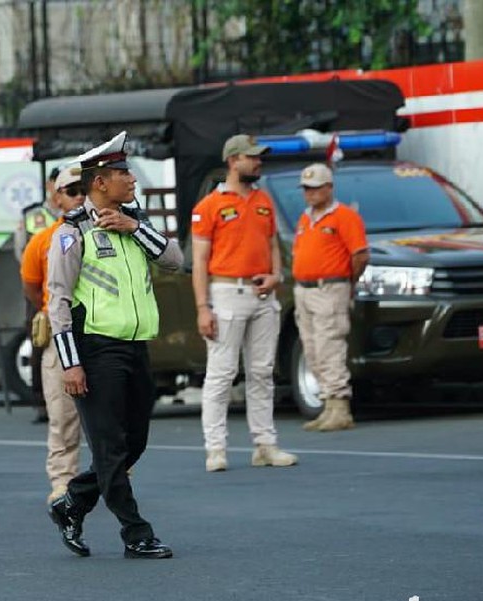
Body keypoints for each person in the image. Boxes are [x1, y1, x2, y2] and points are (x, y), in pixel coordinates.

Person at [46, 131, 182, 559]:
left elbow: (176, 260)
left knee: (133, 443)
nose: (132, 180)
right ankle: (136, 532)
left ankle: (72, 503)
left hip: (136, 346)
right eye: (124, 173)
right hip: (94, 349)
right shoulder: (72, 232)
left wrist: (135, 227)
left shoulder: (133, 221)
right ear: (101, 182)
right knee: (109, 447)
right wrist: (70, 365)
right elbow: (59, 304)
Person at [191, 134, 298, 472]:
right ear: (233, 160)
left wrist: (276, 275)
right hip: (226, 292)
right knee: (222, 373)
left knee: (262, 372)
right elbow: (199, 261)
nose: (258, 162)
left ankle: (265, 445)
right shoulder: (209, 206)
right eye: (252, 157)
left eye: (258, 157)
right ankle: (216, 448)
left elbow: (273, 246)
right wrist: (203, 307)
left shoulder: (264, 200)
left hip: (262, 294)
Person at [20, 164, 86, 504]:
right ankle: (63, 481)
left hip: (97, 332)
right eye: (71, 192)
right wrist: (50, 310)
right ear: (57, 198)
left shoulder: (102, 231)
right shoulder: (43, 240)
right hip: (61, 334)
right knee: (62, 415)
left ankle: (117, 476)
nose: (79, 197)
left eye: (83, 190)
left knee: (113, 415)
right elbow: (32, 286)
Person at [292, 163, 369, 432]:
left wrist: (346, 281)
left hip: (329, 288)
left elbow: (360, 255)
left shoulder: (345, 217)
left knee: (330, 346)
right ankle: (328, 404)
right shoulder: (305, 218)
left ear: (329, 188)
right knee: (312, 349)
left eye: (315, 188)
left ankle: (340, 405)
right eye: (306, 189)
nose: (310, 194)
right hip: (305, 289)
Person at [17, 167, 64, 423]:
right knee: (39, 340)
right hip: (39, 286)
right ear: (50, 187)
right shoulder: (34, 215)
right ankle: (40, 400)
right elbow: (21, 250)